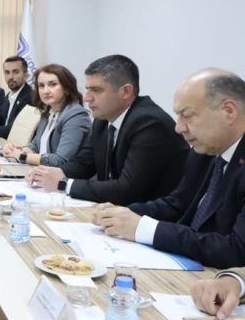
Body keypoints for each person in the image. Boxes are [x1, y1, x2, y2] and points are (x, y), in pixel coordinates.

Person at [93, 69, 245, 269]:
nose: (178, 128)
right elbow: (178, 202)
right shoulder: (205, 150)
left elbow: (237, 250)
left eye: (187, 116)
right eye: (178, 116)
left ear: (229, 111)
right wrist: (124, 213)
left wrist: (146, 229)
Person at [28, 55, 188, 205]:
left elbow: (128, 190)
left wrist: (64, 184)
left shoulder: (149, 123)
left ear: (126, 91)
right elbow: (85, 163)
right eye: (87, 89)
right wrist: (54, 173)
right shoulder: (102, 120)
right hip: (117, 210)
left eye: (96, 90)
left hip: (152, 215)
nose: (87, 98)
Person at [2, 63, 90, 167]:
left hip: (64, 176)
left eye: (53, 84)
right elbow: (35, 145)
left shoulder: (76, 115)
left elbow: (60, 160)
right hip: (41, 172)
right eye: (41, 86)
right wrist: (16, 151)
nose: (46, 91)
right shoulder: (48, 112)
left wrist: (21, 156)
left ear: (66, 88)